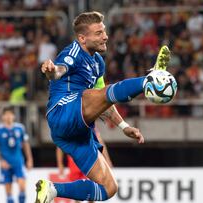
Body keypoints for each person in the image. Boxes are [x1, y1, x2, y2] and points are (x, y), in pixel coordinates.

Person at [35, 11, 170, 202]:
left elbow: (105, 101)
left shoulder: (98, 62)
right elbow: (59, 71)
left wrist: (124, 127)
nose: (105, 36)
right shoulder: (73, 52)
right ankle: (150, 79)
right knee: (105, 92)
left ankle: (52, 190)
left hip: (76, 133)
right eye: (98, 33)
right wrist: (51, 71)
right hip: (63, 110)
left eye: (104, 31)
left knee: (109, 188)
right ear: (82, 38)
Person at [0, 106, 34, 203]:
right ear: (3, 117)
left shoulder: (20, 128)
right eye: (6, 115)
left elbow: (26, 144)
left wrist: (30, 159)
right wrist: (1, 160)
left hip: (18, 161)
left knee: (22, 187)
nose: (8, 117)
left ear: (14, 116)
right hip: (6, 163)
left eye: (10, 114)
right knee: (9, 193)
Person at [56, 128, 112, 203]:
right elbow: (59, 145)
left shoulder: (88, 125)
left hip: (89, 161)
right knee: (77, 193)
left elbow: (100, 141)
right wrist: (60, 164)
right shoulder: (68, 126)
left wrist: (107, 159)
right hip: (75, 163)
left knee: (91, 191)